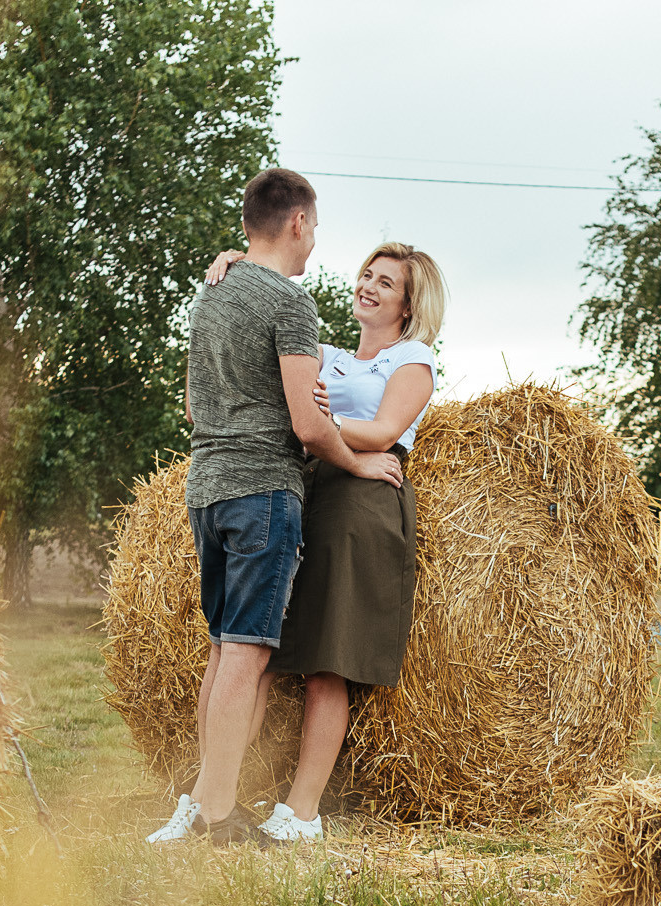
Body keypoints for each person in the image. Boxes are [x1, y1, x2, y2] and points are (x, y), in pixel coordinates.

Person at [146, 168, 404, 846]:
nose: (315, 240)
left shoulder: (213, 295)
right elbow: (309, 425)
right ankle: (219, 814)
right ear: (296, 222)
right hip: (263, 490)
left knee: (222, 648)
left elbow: (194, 406)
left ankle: (204, 799)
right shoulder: (291, 305)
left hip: (206, 485)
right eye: (314, 227)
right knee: (247, 652)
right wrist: (358, 462)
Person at [199, 241, 445, 842]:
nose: (369, 286)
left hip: (361, 502)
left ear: (409, 306)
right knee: (256, 652)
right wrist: (236, 262)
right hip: (307, 492)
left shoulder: (413, 360)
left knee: (326, 664)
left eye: (386, 284)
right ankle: (210, 799)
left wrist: (319, 428)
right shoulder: (328, 353)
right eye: (367, 275)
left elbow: (386, 431)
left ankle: (302, 811)